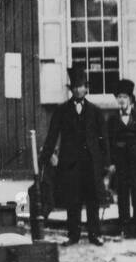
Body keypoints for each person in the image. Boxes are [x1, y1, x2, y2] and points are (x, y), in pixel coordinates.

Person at [41, 65, 110, 245]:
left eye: (82, 86)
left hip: (91, 163)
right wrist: (47, 157)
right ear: (71, 89)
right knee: (73, 200)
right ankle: (73, 235)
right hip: (70, 163)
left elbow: (104, 141)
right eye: (75, 87)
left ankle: (95, 234)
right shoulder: (61, 110)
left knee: (92, 199)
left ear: (86, 88)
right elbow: (52, 136)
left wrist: (106, 163)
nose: (79, 90)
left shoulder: (95, 111)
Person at [105, 77, 136, 239]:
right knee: (122, 196)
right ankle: (124, 228)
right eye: (119, 97)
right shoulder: (112, 119)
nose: (122, 100)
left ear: (130, 100)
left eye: (125, 97)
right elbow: (108, 143)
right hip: (120, 164)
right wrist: (110, 163)